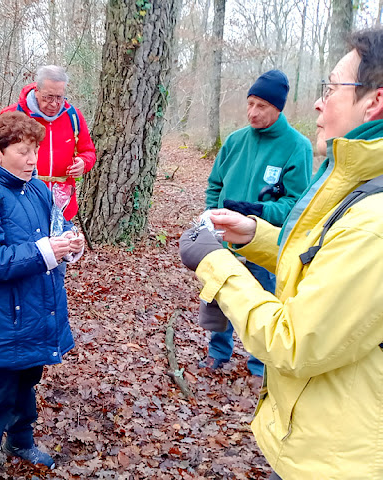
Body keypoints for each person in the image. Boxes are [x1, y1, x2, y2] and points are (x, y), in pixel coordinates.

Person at [179, 28, 383, 479]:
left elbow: (295, 341)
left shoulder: (374, 222)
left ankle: (251, 365)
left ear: (374, 102)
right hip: (318, 437)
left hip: (339, 459)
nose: (320, 101)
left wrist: (215, 262)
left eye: (331, 88)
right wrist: (253, 234)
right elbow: (326, 254)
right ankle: (219, 352)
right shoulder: (358, 184)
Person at [0, 111, 85, 480]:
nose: (32, 160)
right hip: (2, 317)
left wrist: (71, 244)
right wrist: (46, 250)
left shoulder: (38, 188)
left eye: (36, 151)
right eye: (23, 151)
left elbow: (60, 228)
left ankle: (20, 440)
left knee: (28, 381)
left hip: (38, 310)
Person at [199, 69, 313, 377]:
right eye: (250, 103)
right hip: (225, 239)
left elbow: (297, 204)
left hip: (266, 245)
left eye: (261, 105)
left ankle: (260, 365)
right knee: (222, 297)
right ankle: (217, 352)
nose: (253, 112)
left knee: (263, 304)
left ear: (278, 108)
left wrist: (257, 212)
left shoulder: (297, 146)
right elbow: (215, 185)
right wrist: (212, 214)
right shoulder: (236, 141)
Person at [0, 65, 96, 220]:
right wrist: (2, 171)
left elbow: (89, 151)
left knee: (62, 244)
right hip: (23, 202)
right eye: (48, 97)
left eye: (59, 97)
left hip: (62, 205)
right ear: (36, 90)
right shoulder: (14, 115)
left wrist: (83, 163)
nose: (54, 104)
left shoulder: (73, 116)